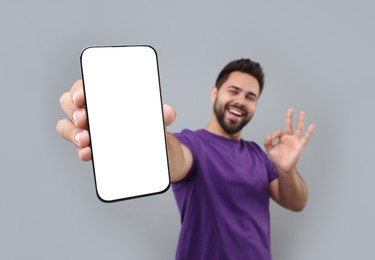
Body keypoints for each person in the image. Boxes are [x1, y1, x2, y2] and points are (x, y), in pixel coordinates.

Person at [56, 58, 315, 260]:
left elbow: (296, 203)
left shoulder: (259, 154)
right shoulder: (193, 143)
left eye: (250, 97)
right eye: (233, 91)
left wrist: (287, 171)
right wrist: (145, 131)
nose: (240, 101)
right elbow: (175, 160)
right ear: (215, 93)